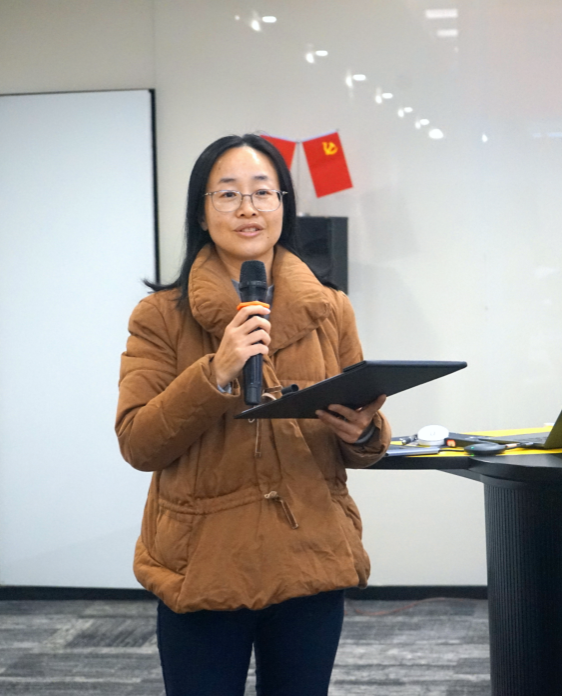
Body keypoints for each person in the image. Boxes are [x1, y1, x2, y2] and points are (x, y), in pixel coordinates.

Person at [115, 133, 391, 696]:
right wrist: (216, 372)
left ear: (283, 206)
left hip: (309, 556)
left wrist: (363, 432)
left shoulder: (331, 308)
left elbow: (360, 429)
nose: (248, 209)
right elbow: (138, 442)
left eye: (263, 192)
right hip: (203, 563)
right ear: (201, 211)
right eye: (228, 194)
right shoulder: (159, 316)